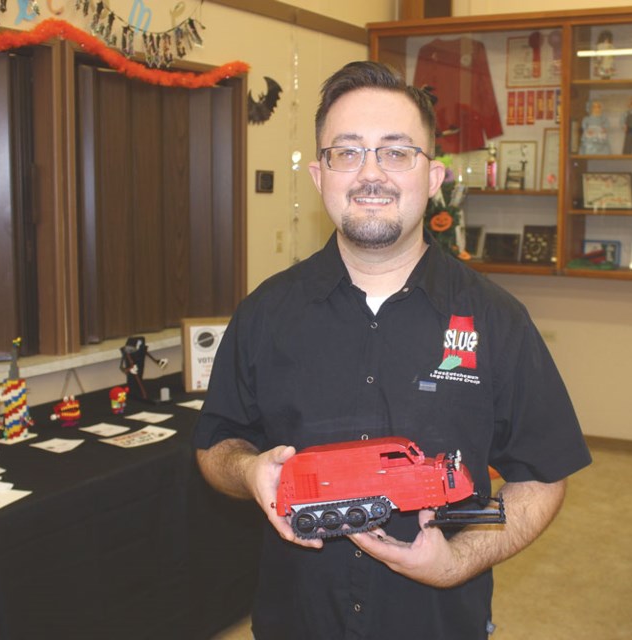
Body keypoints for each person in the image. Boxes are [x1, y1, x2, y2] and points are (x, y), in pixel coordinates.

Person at [194, 60, 591, 640]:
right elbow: (215, 445)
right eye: (347, 151)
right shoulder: (264, 314)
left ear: (433, 178)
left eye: (397, 152)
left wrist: (457, 561)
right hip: (296, 621)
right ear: (319, 175)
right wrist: (248, 469)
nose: (371, 173)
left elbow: (542, 475)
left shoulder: (497, 321)